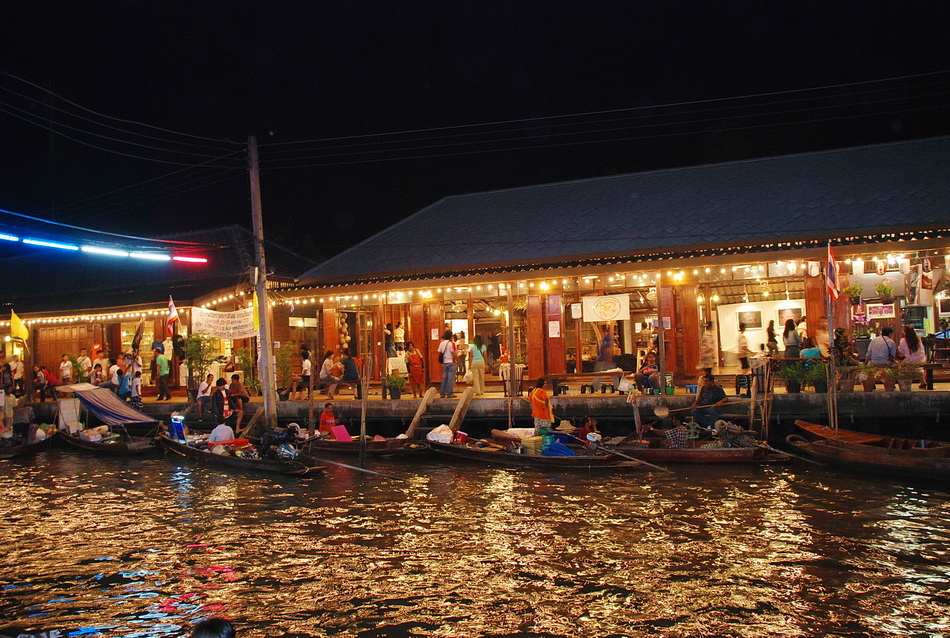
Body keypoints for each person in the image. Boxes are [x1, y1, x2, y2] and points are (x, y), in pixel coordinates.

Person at [437, 330, 457, 398]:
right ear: (451, 336)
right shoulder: (452, 343)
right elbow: (454, 353)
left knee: (444, 378)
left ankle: (442, 393)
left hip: (445, 363)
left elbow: (439, 352)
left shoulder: (442, 343)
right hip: (451, 362)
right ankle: (449, 393)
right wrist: (458, 361)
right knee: (450, 379)